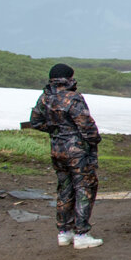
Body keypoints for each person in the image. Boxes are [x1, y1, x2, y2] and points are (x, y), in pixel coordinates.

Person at [30, 63, 103, 249]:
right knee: (84, 189)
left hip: (57, 150)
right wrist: (93, 140)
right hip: (77, 152)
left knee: (64, 189)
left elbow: (35, 122)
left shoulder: (45, 98)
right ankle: (81, 234)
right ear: (69, 78)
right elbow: (86, 126)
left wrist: (56, 131)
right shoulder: (74, 98)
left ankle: (64, 232)